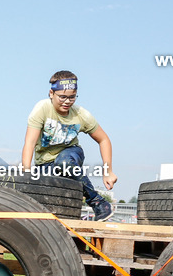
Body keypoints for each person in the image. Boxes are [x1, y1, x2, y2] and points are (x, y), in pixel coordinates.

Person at [22, 70, 118, 221]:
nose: (67, 102)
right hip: (45, 164)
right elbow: (30, 142)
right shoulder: (42, 109)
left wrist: (108, 171)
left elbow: (104, 140)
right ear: (51, 93)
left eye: (72, 97)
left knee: (64, 163)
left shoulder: (81, 114)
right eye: (62, 97)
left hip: (70, 154)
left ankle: (99, 203)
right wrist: (26, 172)